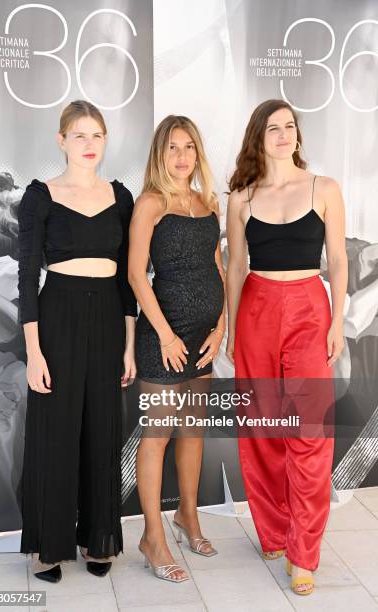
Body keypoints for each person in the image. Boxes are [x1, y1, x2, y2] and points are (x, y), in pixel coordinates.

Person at [226, 99, 347, 595]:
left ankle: (304, 554)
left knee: (309, 432)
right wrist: (233, 329)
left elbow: (338, 260)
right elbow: (235, 266)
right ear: (259, 137)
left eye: (290, 126)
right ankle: (274, 531)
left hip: (308, 308)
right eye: (273, 128)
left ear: (299, 134)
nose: (283, 135)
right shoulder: (240, 196)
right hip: (255, 307)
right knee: (260, 426)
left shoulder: (325, 188)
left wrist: (337, 319)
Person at [18, 100, 137, 583]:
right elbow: (27, 279)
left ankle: (97, 536)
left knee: (102, 430)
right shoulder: (40, 196)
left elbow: (129, 278)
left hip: (109, 318)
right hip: (58, 315)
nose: (90, 145)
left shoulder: (122, 197)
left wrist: (129, 345)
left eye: (98, 136)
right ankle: (48, 545)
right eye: (80, 135)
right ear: (61, 140)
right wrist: (33, 352)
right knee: (56, 431)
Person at [128, 115, 226, 582]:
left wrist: (221, 327)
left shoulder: (208, 203)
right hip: (162, 338)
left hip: (203, 338)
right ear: (159, 154)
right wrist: (166, 334)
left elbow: (219, 270)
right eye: (172, 148)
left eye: (189, 147)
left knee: (192, 432)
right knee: (157, 437)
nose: (182, 156)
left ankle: (188, 516)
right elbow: (134, 276)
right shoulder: (150, 203)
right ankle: (153, 537)